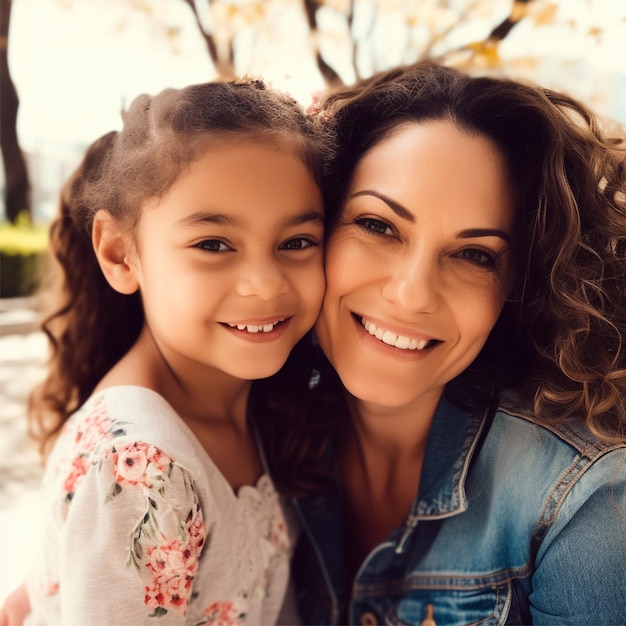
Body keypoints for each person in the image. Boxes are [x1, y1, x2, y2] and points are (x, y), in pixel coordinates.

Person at [271, 61, 626, 624]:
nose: (412, 296)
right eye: (378, 226)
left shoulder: (583, 501)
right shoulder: (251, 428)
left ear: (520, 286)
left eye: (474, 254)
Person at [5, 77, 327, 625]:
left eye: (295, 242)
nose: (265, 284)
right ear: (120, 254)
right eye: (213, 244)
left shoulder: (252, 405)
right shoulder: (140, 465)